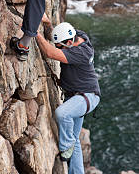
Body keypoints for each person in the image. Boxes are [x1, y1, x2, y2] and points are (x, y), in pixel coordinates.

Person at [37, 18, 101, 173]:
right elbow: (59, 38)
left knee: (62, 113)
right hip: (76, 97)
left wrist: (34, 33)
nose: (59, 48)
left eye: (62, 47)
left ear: (69, 44)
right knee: (74, 138)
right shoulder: (77, 35)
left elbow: (51, 52)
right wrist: (47, 25)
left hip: (86, 96)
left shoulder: (81, 53)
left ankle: (66, 147)